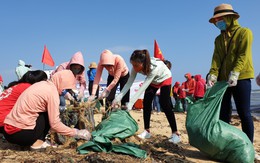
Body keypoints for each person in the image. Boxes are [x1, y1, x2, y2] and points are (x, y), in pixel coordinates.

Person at [3, 70, 91, 150]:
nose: (65, 91)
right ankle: (37, 144)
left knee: (44, 112)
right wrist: (76, 132)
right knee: (48, 115)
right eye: (65, 88)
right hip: (21, 134)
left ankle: (35, 141)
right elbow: (55, 124)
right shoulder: (52, 92)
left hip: (8, 132)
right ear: (61, 83)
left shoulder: (41, 84)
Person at [207, 4, 254, 142]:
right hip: (222, 80)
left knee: (244, 112)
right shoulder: (218, 39)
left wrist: (235, 73)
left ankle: (249, 144)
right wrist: (213, 74)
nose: (217, 22)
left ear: (230, 17)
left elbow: (243, 55)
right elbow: (216, 58)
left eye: (219, 19)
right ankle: (225, 143)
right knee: (223, 113)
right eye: (215, 20)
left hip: (242, 77)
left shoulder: (244, 33)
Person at [112, 49, 181, 144]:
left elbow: (144, 86)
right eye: (132, 65)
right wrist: (117, 98)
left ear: (143, 63)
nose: (134, 68)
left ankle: (175, 133)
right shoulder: (135, 68)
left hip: (165, 77)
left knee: (164, 104)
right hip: (154, 81)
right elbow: (128, 83)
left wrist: (131, 103)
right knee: (147, 102)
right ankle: (147, 131)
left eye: (136, 65)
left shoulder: (154, 68)